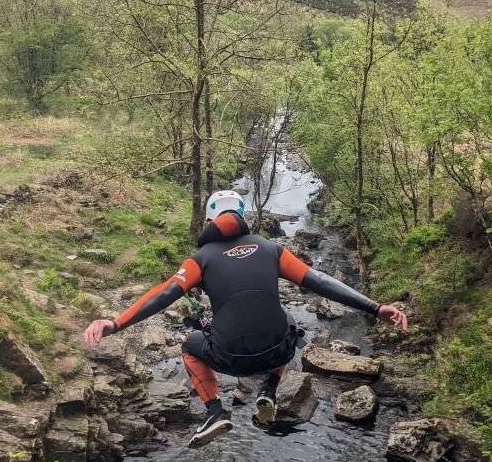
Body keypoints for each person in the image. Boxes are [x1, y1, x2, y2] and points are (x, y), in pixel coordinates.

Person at [84, 190, 407, 448]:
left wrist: (115, 323)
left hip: (230, 358)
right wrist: (375, 307)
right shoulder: (270, 248)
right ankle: (269, 388)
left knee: (187, 344)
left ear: (210, 219)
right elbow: (320, 281)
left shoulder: (201, 259)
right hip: (276, 352)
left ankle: (215, 412)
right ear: (241, 215)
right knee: (290, 324)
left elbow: (164, 294)